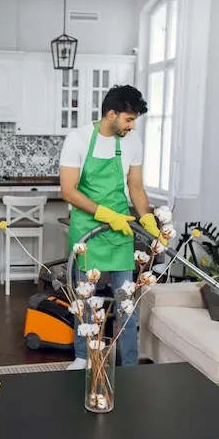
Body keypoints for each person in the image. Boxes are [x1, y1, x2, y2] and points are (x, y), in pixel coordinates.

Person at [59, 85, 163, 370]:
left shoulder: (132, 140)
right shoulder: (78, 139)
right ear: (111, 114)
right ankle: (84, 357)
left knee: (126, 303)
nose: (132, 126)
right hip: (87, 231)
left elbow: (136, 185)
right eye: (128, 120)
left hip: (120, 231)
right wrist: (105, 214)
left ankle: (129, 363)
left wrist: (147, 217)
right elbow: (68, 190)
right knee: (85, 300)